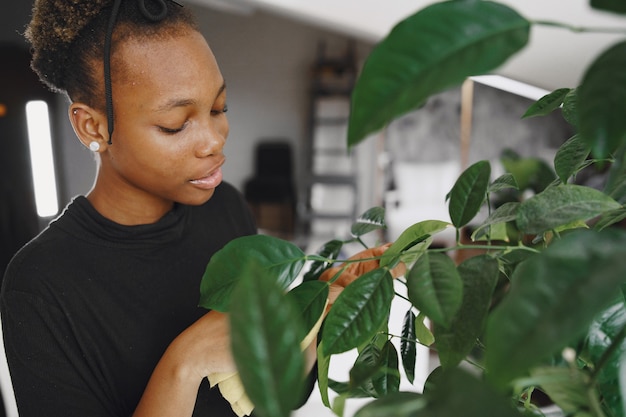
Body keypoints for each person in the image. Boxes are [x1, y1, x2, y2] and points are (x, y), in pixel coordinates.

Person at [1, 1, 397, 416]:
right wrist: (185, 363)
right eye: (175, 124)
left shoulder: (226, 210)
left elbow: (272, 396)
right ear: (93, 127)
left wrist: (323, 302)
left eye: (218, 108)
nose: (214, 139)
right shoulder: (41, 286)